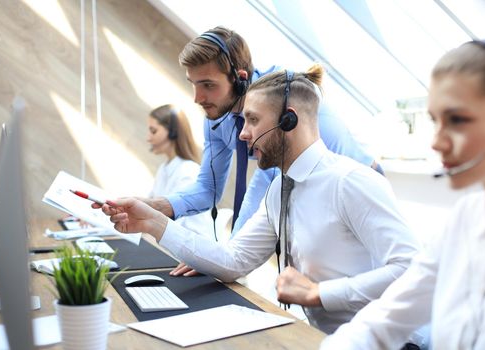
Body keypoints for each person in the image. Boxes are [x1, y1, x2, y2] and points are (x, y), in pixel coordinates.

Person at [99, 64, 419, 335]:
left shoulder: (351, 181)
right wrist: (154, 222)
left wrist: (320, 293)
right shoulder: (280, 189)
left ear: (288, 120)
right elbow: (233, 261)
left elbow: (410, 268)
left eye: (252, 120)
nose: (242, 133)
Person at [320, 17, 485, 350]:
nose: (437, 142)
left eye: (456, 120)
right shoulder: (464, 220)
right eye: (434, 120)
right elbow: (387, 317)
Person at [143, 26, 383, 238]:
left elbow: (264, 186)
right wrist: (157, 205)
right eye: (193, 84)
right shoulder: (216, 115)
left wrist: (226, 253)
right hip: (312, 192)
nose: (197, 98)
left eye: (208, 85)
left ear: (239, 79)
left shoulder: (278, 100)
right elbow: (208, 188)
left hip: (360, 186)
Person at [144, 104, 217, 238]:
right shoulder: (164, 168)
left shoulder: (189, 171)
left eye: (153, 131)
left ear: (173, 132)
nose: (148, 138)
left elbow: (182, 227)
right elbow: (149, 205)